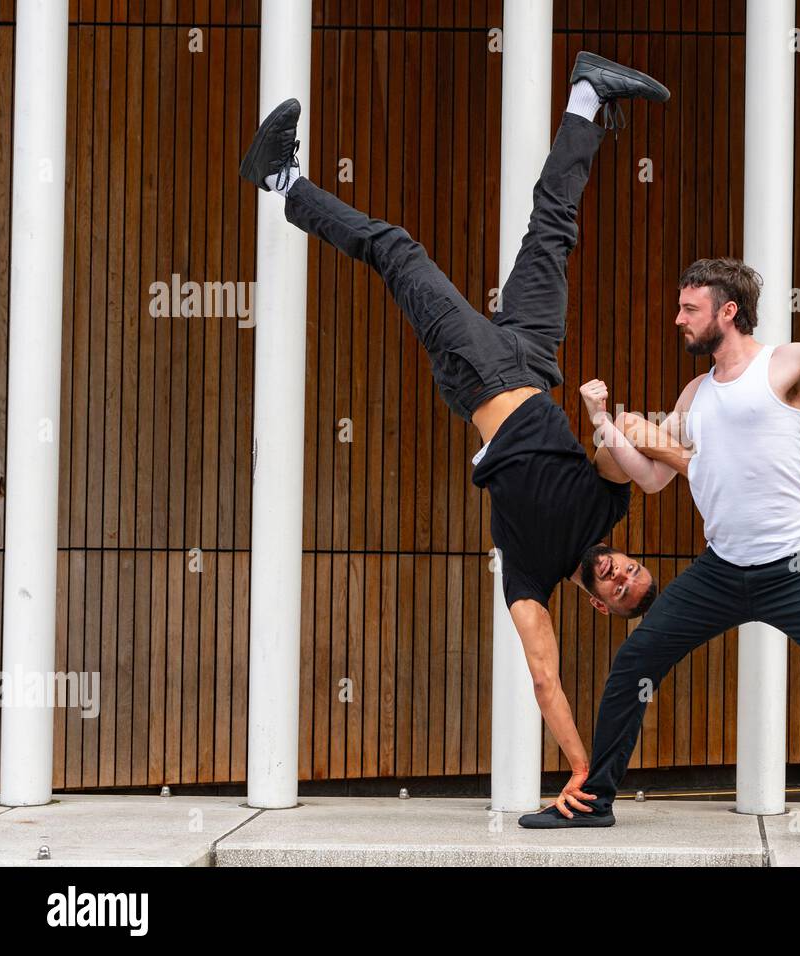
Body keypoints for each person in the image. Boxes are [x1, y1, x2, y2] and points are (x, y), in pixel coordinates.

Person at [239, 52, 669, 809]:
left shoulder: (530, 579)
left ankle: (283, 184)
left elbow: (544, 676)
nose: (619, 573)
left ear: (601, 607)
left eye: (619, 590)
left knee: (397, 250)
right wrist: (623, 426)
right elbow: (618, 456)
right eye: (632, 570)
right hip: (533, 362)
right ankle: (586, 96)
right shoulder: (610, 511)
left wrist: (577, 769)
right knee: (554, 230)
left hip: (483, 378)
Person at [520, 257, 800, 845]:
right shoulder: (695, 393)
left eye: (689, 309)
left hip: (796, 565)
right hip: (721, 570)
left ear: (727, 311)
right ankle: (595, 801)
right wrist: (600, 418)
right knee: (633, 665)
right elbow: (650, 477)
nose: (678, 320)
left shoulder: (787, 363)